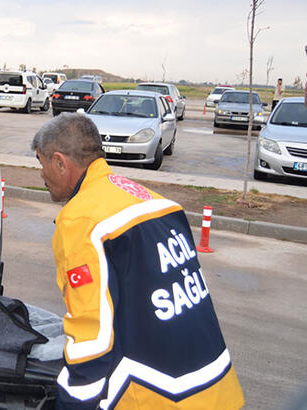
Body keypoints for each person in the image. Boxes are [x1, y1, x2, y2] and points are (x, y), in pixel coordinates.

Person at [31, 113, 244, 409]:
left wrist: (73, 404)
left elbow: (91, 336)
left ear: (60, 162)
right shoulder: (159, 204)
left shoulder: (81, 219)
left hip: (161, 398)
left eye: (41, 163)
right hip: (218, 389)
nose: (41, 174)